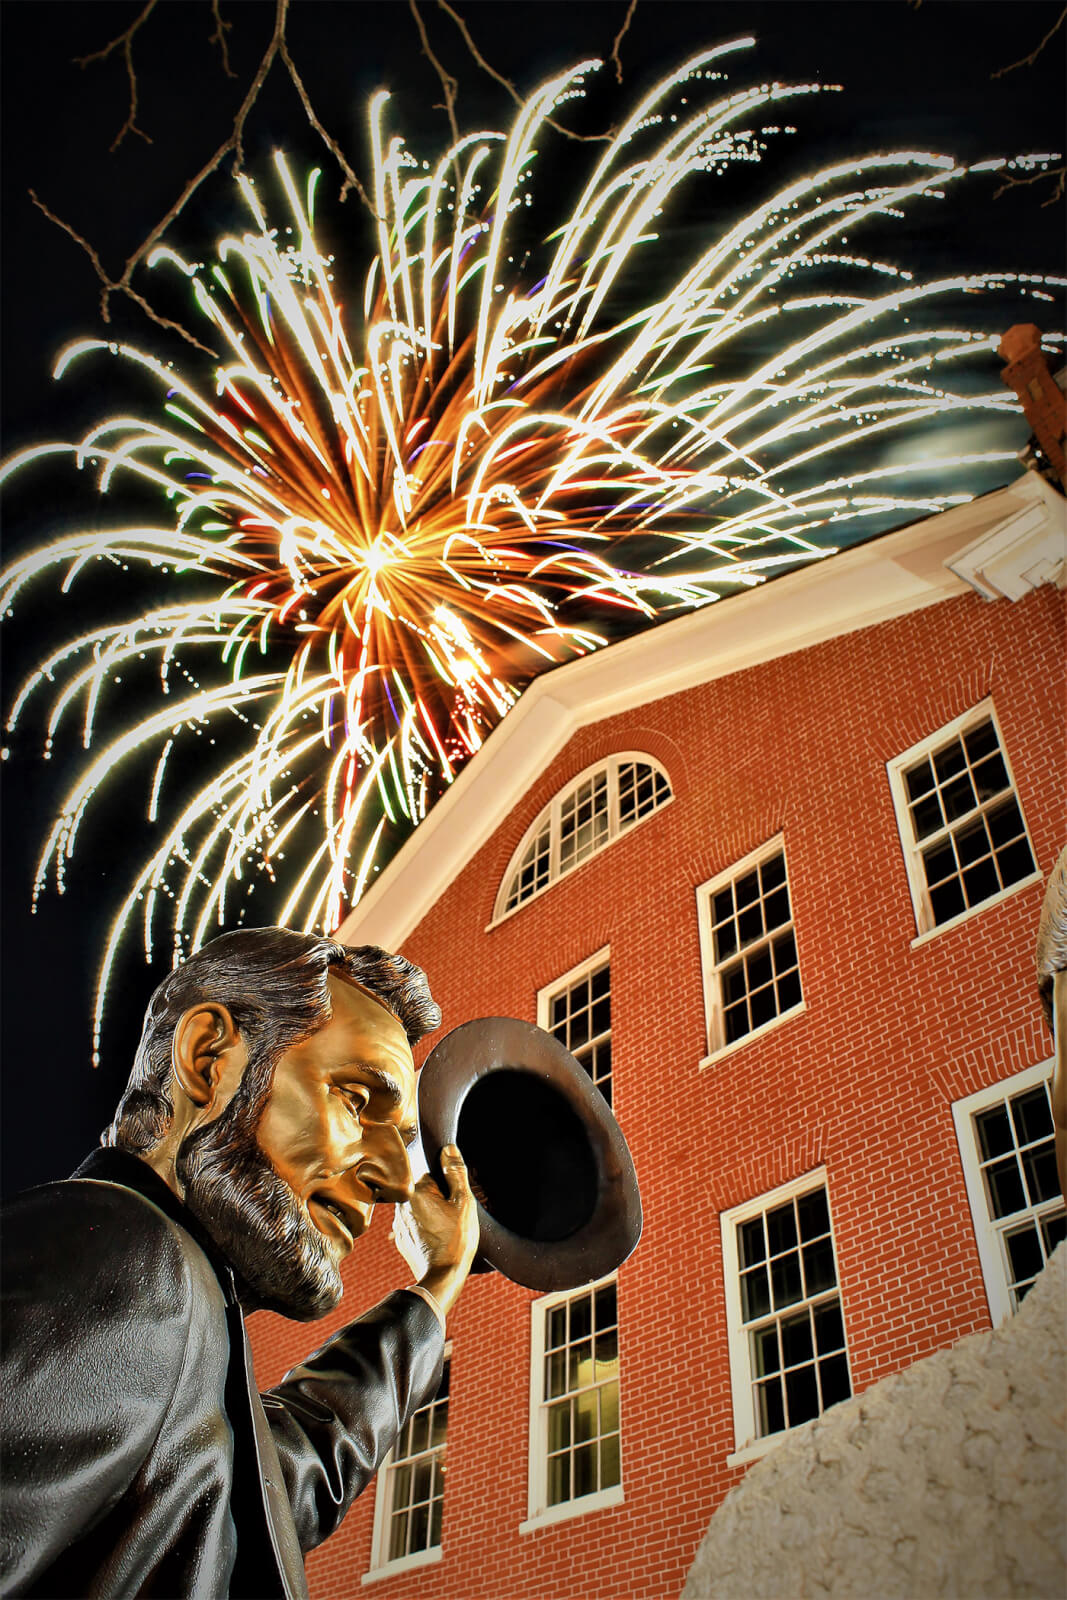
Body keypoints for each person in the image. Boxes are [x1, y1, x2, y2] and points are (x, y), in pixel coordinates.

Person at [0, 927, 479, 1600]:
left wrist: (438, 1283)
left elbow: (274, 1489)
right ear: (209, 1059)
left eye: (400, 1140)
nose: (399, 1178)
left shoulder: (175, 1314)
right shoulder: (127, 1259)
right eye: (353, 1099)